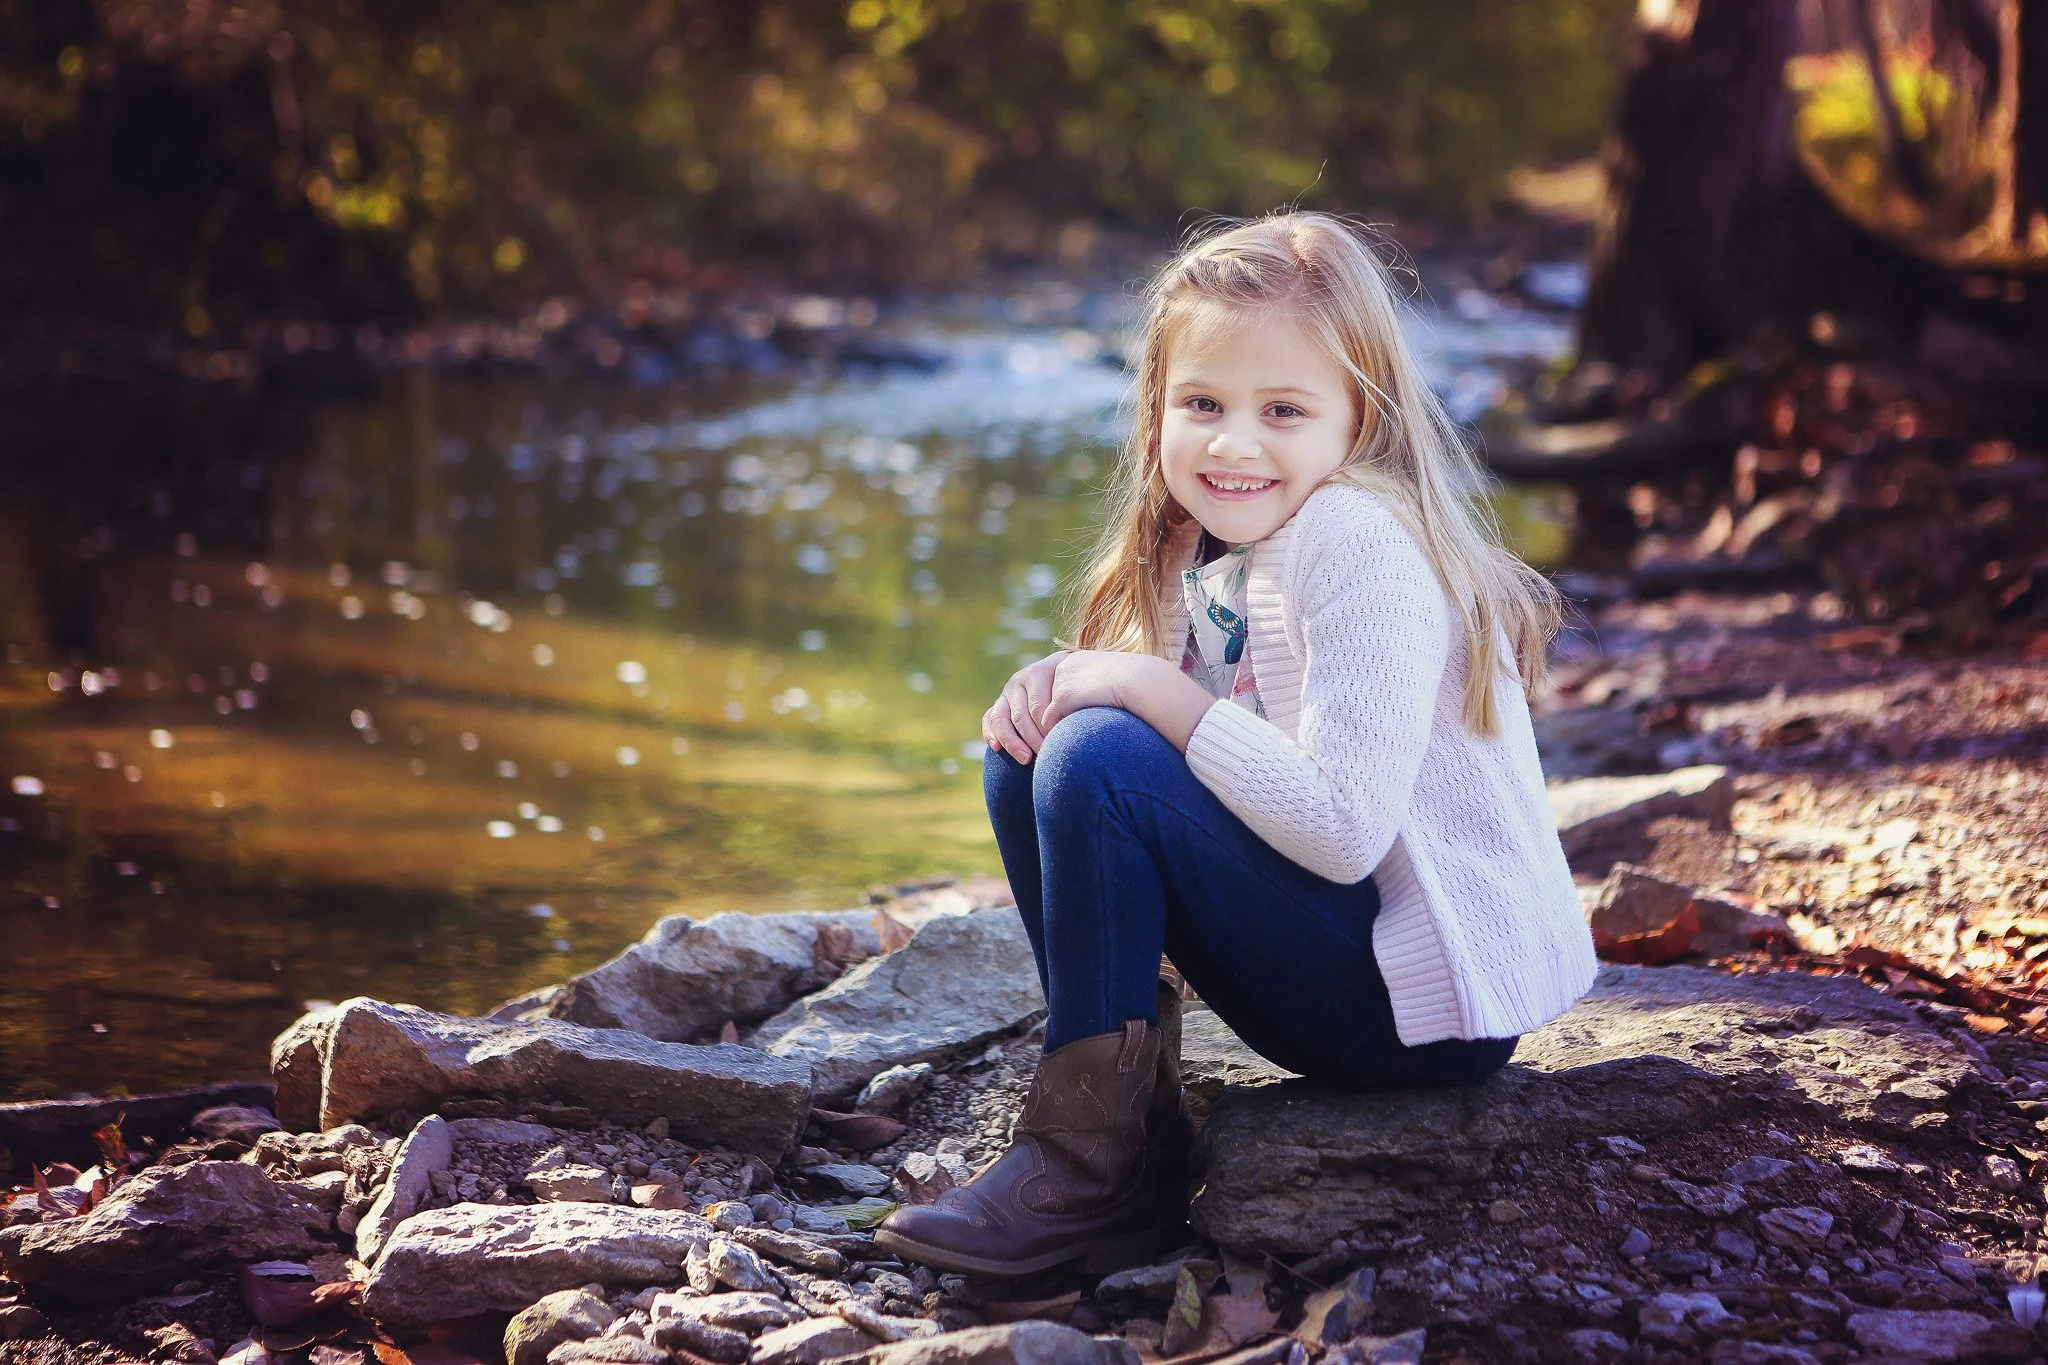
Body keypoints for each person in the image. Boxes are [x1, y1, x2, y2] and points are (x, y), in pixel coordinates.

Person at [873, 211, 1599, 1278]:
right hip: (1332, 964)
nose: (1233, 441)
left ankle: (1084, 1175)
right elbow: (1173, 761)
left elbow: (1342, 832)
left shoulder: (1358, 541)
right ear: (1154, 409)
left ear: (1358, 420)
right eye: (1201, 403)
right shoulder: (1192, 539)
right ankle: (1122, 1134)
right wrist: (1076, 685)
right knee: (1037, 740)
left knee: (1097, 753)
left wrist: (1139, 689)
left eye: (1283, 410)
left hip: (1422, 1010)